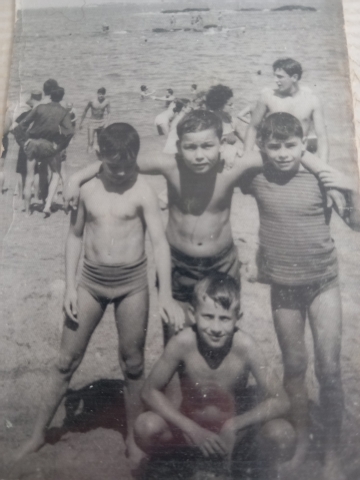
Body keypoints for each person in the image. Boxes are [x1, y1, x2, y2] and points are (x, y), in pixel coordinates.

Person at [64, 110, 328, 338]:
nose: (199, 155)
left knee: (221, 334)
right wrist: (76, 178)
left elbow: (286, 152)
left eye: (207, 146)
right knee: (176, 333)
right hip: (179, 264)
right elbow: (118, 162)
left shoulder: (232, 166)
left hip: (221, 263)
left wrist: (331, 176)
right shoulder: (170, 166)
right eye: (191, 148)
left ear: (221, 143)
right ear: (179, 147)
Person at [13, 123, 184, 469]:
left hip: (132, 284)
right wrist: (71, 286)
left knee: (133, 364)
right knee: (65, 362)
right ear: (99, 157)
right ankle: (37, 435)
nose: (121, 172)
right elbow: (75, 237)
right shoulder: (88, 190)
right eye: (112, 165)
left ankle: (134, 440)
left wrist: (164, 294)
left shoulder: (142, 190)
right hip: (91, 282)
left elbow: (159, 243)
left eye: (127, 165)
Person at [240, 112, 360, 480]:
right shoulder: (255, 175)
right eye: (273, 146)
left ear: (303, 142)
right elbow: (214, 176)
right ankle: (305, 444)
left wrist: (349, 185)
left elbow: (355, 224)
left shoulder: (320, 177)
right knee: (294, 365)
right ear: (262, 146)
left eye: (290, 145)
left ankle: (331, 457)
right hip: (283, 287)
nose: (282, 154)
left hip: (323, 282)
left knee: (329, 370)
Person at [134, 273, 295, 478]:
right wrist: (190, 428)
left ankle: (246, 471)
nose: (216, 328)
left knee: (282, 433)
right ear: (193, 314)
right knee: (146, 426)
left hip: (233, 436)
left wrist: (235, 425)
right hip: (190, 434)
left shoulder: (245, 346)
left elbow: (281, 400)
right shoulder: (183, 342)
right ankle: (173, 466)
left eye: (225, 319)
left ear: (238, 318)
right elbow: (149, 391)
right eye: (208, 317)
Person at [244, 58, 329, 162]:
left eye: (280, 77)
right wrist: (247, 154)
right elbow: (253, 127)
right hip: (272, 152)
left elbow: (322, 136)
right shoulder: (267, 97)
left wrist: (324, 162)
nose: (275, 80)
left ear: (294, 77)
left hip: (300, 153)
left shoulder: (312, 101)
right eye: (274, 76)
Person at [16, 86, 74, 216]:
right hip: (49, 145)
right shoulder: (63, 111)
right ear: (62, 97)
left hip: (32, 143)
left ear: (50, 96)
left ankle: (27, 211)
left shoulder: (40, 108)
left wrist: (24, 142)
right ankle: (47, 204)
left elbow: (21, 126)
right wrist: (60, 146)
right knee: (55, 173)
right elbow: (70, 131)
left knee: (30, 177)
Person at [12, 89, 43, 203]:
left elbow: (14, 129)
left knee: (21, 171)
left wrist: (21, 142)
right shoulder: (43, 115)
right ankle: (36, 196)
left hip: (25, 145)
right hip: (38, 144)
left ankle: (20, 196)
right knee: (36, 172)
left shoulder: (25, 115)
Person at [79, 87, 110, 152]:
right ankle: (88, 158)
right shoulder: (92, 101)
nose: (101, 95)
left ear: (104, 94)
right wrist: (81, 123)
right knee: (90, 142)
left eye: (103, 94)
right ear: (97, 94)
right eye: (100, 94)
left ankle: (99, 159)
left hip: (101, 122)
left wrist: (107, 123)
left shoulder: (107, 102)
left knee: (100, 142)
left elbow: (108, 113)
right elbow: (85, 111)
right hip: (92, 122)